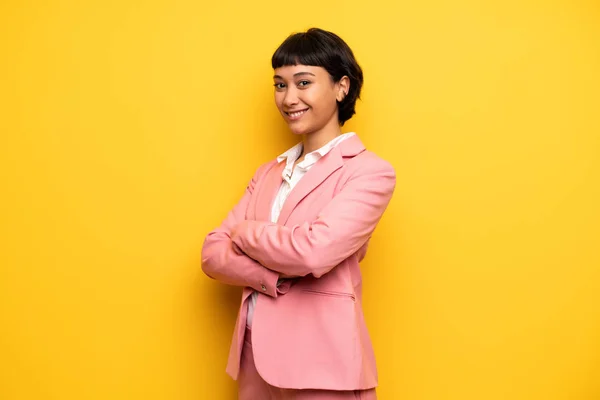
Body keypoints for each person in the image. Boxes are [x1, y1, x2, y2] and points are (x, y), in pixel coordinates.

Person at [201, 27, 396, 400]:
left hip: (323, 368)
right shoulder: (268, 172)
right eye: (280, 85)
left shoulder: (369, 172)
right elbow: (212, 253)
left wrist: (244, 234)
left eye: (303, 82)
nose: (289, 98)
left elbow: (314, 251)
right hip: (255, 364)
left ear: (342, 87)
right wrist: (272, 276)